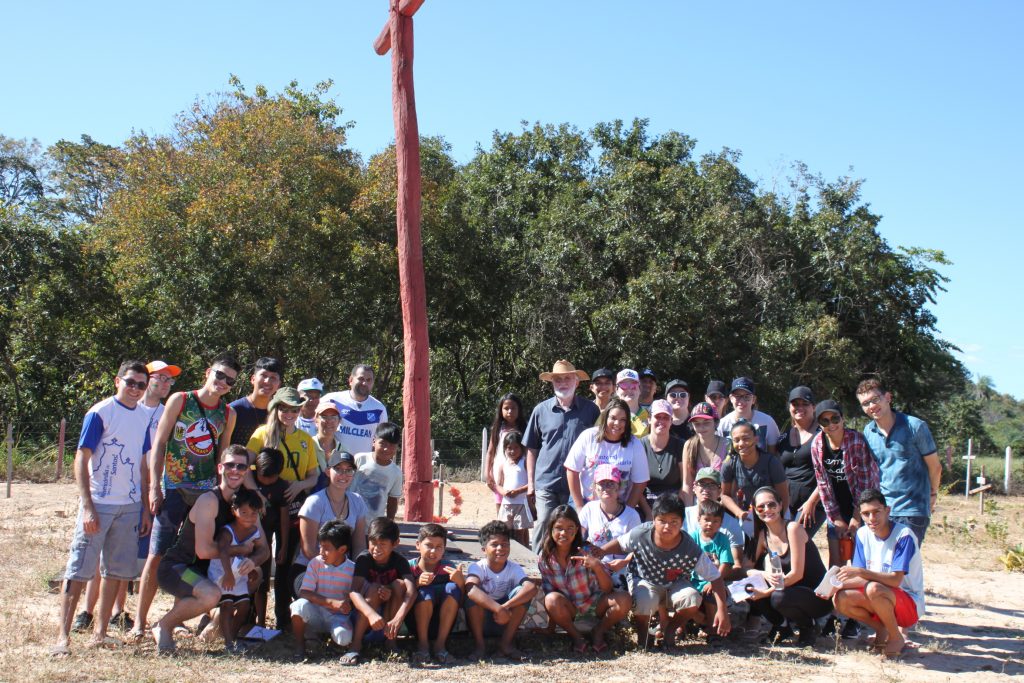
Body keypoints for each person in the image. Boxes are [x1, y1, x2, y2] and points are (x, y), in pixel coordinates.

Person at [134, 353, 240, 639]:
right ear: (208, 371)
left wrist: (222, 495)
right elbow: (160, 443)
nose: (223, 383)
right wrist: (154, 485)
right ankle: (139, 623)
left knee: (193, 558)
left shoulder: (228, 414)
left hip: (205, 493)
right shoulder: (181, 400)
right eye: (220, 375)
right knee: (157, 553)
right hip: (174, 488)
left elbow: (223, 455)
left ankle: (177, 616)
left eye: (230, 381)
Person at [52, 360, 153, 655]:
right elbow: (82, 458)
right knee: (80, 569)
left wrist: (145, 507)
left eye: (140, 384)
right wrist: (87, 506)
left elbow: (143, 462)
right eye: (130, 382)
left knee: (116, 571)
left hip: (130, 505)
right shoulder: (100, 413)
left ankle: (101, 633)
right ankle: (63, 637)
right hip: (100, 503)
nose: (135, 389)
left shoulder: (144, 416)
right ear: (117, 381)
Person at [76, 359, 180, 636]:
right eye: (160, 377)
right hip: (105, 492)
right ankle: (86, 611)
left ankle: (116, 612)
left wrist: (151, 490)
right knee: (98, 556)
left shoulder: (164, 411)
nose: (166, 383)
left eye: (170, 379)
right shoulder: (116, 409)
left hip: (140, 491)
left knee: (124, 555)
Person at [153, 445, 268, 653]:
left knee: (255, 573)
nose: (235, 470)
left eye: (241, 466)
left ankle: (214, 630)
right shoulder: (209, 501)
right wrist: (241, 550)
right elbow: (204, 551)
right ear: (220, 468)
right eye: (230, 465)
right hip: (179, 567)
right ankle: (164, 625)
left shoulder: (248, 502)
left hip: (211, 571)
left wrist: (253, 561)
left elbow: (264, 549)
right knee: (210, 595)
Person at [595, 492, 730, 648]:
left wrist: (722, 611)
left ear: (682, 522)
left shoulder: (689, 546)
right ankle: (643, 635)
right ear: (654, 520)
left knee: (692, 598)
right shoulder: (641, 533)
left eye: (674, 522)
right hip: (644, 580)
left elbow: (715, 577)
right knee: (644, 600)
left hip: (675, 584)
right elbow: (621, 543)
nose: (668, 526)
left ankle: (671, 630)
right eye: (662, 521)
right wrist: (600, 551)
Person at [832, 488, 925, 659]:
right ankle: (881, 629)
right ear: (860, 515)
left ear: (887, 510)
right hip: (879, 596)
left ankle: (896, 637)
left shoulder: (903, 535)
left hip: (909, 601)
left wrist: (861, 571)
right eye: (866, 514)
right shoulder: (861, 534)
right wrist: (834, 586)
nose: (872, 519)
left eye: (876, 512)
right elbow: (861, 579)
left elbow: (896, 580)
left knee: (874, 588)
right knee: (840, 598)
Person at [248, 386, 320, 601]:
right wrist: (256, 494)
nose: (290, 415)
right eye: (285, 409)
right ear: (275, 409)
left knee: (285, 558)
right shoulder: (262, 434)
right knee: (259, 555)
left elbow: (314, 475)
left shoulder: (306, 439)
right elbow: (245, 468)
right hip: (264, 507)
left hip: (293, 506)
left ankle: (282, 614)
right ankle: (252, 616)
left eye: (295, 410)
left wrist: (299, 485)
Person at [524, 360, 601, 553]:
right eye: (558, 379)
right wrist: (531, 483)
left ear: (576, 382)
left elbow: (598, 446)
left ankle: (567, 571)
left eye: (567, 378)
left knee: (572, 529)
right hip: (546, 481)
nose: (563, 383)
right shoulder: (540, 410)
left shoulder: (591, 410)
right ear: (552, 383)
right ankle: (537, 570)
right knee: (543, 524)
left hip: (577, 483)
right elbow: (531, 448)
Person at [290, 451, 369, 632]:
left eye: (349, 470)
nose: (344, 475)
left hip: (344, 567)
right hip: (310, 567)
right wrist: (332, 570)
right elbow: (308, 549)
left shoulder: (357, 502)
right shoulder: (314, 502)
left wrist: (356, 572)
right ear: (327, 471)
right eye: (338, 469)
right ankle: (311, 629)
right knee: (309, 596)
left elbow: (358, 547)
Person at [744, 486, 831, 646]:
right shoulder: (763, 536)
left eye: (771, 505)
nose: (767, 509)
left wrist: (765, 593)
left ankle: (808, 626)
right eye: (761, 507)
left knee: (778, 597)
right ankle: (782, 626)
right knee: (748, 588)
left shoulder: (793, 528)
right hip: (788, 591)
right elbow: (745, 568)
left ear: (780, 505)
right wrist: (762, 574)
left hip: (816, 595)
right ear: (755, 511)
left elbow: (796, 574)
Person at [857, 378, 940, 546]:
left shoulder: (915, 426)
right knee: (884, 562)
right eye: (866, 403)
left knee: (903, 564)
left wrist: (932, 494)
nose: (871, 406)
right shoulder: (868, 432)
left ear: (887, 397)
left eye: (875, 399)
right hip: (883, 509)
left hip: (913, 509)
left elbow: (935, 466)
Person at [538, 505, 630, 654]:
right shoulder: (545, 559)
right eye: (559, 528)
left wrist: (597, 567)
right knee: (551, 599)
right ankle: (577, 637)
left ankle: (598, 632)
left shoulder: (587, 551)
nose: (564, 533)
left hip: (595, 604)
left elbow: (607, 589)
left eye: (570, 528)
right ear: (550, 529)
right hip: (571, 608)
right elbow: (550, 594)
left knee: (624, 599)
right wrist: (550, 628)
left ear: (577, 530)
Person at [811, 400, 880, 568]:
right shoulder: (817, 444)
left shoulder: (856, 441)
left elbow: (866, 482)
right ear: (819, 424)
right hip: (836, 508)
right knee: (836, 562)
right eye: (825, 421)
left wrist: (857, 517)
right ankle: (835, 593)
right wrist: (837, 519)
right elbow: (823, 485)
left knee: (861, 562)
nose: (831, 424)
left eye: (835, 419)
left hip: (861, 507)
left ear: (842, 419)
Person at [345, 518, 416, 664]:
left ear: (395, 543)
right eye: (373, 543)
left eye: (382, 544)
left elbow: (412, 591)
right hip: (364, 616)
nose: (377, 548)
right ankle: (356, 644)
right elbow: (353, 591)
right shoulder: (364, 559)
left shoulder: (400, 561)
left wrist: (398, 618)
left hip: (390, 617)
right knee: (374, 588)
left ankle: (390, 642)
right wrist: (371, 614)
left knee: (399, 584)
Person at [465, 520, 539, 660]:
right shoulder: (477, 567)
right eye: (494, 545)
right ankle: (480, 646)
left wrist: (505, 607)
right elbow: (471, 589)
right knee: (472, 596)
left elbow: (531, 588)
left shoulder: (514, 568)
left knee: (522, 592)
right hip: (483, 620)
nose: (500, 548)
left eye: (505, 544)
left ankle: (505, 644)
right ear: (484, 549)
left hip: (506, 620)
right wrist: (497, 609)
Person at [208, 488, 268, 653]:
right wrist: (227, 574)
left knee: (244, 605)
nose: (249, 517)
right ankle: (228, 643)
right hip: (222, 572)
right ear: (234, 511)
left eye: (254, 513)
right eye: (244, 512)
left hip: (239, 573)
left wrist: (252, 569)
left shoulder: (254, 532)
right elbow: (223, 551)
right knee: (226, 604)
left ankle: (231, 637)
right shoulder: (227, 531)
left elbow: (257, 552)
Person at [565, 397, 650, 512]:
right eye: (613, 418)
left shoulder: (635, 444)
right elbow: (572, 470)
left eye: (623, 420)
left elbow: (640, 481)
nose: (617, 423)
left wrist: (628, 510)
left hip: (619, 505)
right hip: (586, 501)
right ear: (605, 418)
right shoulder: (588, 436)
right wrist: (579, 506)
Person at [289, 520, 356, 661]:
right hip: (317, 613)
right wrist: (331, 603)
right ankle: (300, 645)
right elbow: (304, 592)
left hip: (339, 617)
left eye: (326, 548)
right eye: (320, 547)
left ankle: (322, 639)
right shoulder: (316, 563)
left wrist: (346, 603)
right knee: (298, 606)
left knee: (343, 638)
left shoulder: (352, 569)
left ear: (342, 550)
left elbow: (356, 596)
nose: (321, 552)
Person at [406, 523, 466, 665]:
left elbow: (462, 602)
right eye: (429, 545)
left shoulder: (449, 568)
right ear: (417, 545)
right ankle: (423, 645)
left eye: (439, 547)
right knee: (425, 591)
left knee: (452, 588)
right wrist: (416, 584)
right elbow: (401, 598)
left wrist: (461, 583)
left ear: (444, 549)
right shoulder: (408, 568)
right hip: (415, 622)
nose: (433, 551)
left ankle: (440, 645)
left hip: (442, 624)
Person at [720, 420, 789, 536]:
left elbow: (784, 496)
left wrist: (778, 519)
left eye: (746, 438)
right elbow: (724, 495)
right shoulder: (729, 464)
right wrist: (739, 512)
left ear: (756, 439)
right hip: (751, 513)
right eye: (736, 440)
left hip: (776, 510)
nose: (741, 444)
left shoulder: (771, 462)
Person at [577, 465, 641, 588]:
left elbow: (638, 547)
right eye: (602, 484)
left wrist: (625, 562)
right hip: (595, 564)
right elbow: (577, 536)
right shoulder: (589, 509)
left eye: (611, 484)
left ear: (619, 487)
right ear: (595, 488)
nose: (606, 488)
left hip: (622, 567)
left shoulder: (632, 515)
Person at [777, 386, 825, 537]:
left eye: (805, 404)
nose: (800, 408)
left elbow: (827, 473)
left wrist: (811, 502)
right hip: (785, 504)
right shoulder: (783, 437)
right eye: (795, 404)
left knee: (798, 540)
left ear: (813, 407)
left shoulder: (823, 435)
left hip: (812, 504)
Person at [684, 468, 745, 580]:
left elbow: (737, 566)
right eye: (702, 484)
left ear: (719, 491)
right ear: (694, 487)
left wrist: (715, 575)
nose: (706, 489)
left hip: (720, 581)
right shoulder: (682, 516)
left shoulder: (731, 524)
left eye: (712, 485)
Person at [252, 448, 290, 628]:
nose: (266, 481)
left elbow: (284, 519)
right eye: (262, 477)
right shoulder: (249, 480)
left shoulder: (282, 487)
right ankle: (246, 619)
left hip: (266, 543)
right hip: (245, 540)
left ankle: (260, 623)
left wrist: (282, 547)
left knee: (262, 583)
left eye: (271, 478)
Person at [321, 364, 389, 457]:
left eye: (369, 380)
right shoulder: (331, 399)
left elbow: (381, 441)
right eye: (361, 379)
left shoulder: (379, 409)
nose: (364, 383)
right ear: (351, 380)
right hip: (335, 464)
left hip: (363, 468)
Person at [689, 500, 734, 638]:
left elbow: (726, 564)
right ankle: (698, 623)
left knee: (711, 593)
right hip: (694, 581)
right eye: (707, 519)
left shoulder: (722, 539)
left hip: (715, 581)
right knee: (686, 596)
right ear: (699, 520)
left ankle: (714, 630)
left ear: (721, 523)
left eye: (715, 521)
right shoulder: (693, 537)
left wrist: (713, 581)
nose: (710, 524)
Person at [639, 399, 685, 519]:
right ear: (649, 419)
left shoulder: (680, 446)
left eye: (666, 417)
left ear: (671, 421)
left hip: (674, 504)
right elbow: (636, 486)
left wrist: (675, 510)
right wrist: (649, 513)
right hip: (647, 505)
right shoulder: (639, 446)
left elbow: (685, 484)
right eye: (657, 417)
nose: (661, 421)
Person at [485, 393, 528, 513]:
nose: (510, 411)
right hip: (500, 476)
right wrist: (487, 474)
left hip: (520, 475)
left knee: (522, 517)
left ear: (519, 409)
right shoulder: (498, 429)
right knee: (501, 512)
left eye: (513, 408)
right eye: (506, 408)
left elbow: (530, 453)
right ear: (500, 410)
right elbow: (490, 452)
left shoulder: (525, 429)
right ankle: (502, 532)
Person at [352, 422, 403, 521]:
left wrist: (389, 523)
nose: (386, 449)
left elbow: (392, 501)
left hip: (373, 525)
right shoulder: (359, 459)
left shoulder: (396, 472)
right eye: (383, 443)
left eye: (392, 445)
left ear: (397, 447)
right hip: (350, 520)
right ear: (374, 441)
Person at [229, 356, 284, 446]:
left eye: (273, 378)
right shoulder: (234, 410)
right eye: (264, 375)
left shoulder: (280, 413)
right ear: (253, 379)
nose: (267, 381)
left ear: (278, 385)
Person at [681, 403, 728, 505]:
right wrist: (689, 512)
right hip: (697, 504)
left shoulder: (728, 445)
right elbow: (687, 484)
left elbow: (732, 485)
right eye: (697, 424)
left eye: (706, 422)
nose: (701, 427)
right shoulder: (689, 446)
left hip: (723, 504)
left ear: (716, 423)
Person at [717, 377, 780, 454]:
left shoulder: (767, 421)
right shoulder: (723, 425)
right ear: (731, 398)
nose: (741, 401)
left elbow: (774, 454)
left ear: (753, 399)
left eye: (746, 397)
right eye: (737, 396)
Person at [495, 430, 533, 546]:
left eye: (516, 448)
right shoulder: (503, 464)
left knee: (520, 533)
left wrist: (518, 491)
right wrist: (504, 492)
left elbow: (531, 483)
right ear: (505, 449)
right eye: (509, 448)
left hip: (522, 504)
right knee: (504, 532)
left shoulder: (525, 462)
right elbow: (499, 484)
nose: (512, 451)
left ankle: (524, 558)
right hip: (507, 504)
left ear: (521, 448)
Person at [311, 400, 343, 492]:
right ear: (316, 420)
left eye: (333, 417)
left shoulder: (344, 450)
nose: (329, 421)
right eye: (324, 417)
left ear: (339, 421)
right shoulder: (307, 446)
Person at [615, 368, 650, 437]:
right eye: (624, 385)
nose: (629, 389)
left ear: (639, 389)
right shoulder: (607, 415)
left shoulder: (650, 416)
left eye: (634, 385)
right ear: (616, 390)